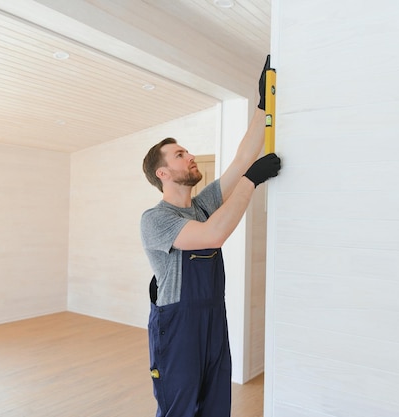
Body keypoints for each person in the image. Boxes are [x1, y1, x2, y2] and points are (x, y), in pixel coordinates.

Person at [140, 55, 281, 417]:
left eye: (187, 151)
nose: (189, 157)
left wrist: (264, 103)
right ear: (163, 173)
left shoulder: (200, 204)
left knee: (216, 406)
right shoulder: (156, 219)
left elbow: (242, 157)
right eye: (180, 154)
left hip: (213, 319)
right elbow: (213, 235)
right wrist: (252, 181)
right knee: (180, 409)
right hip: (178, 327)